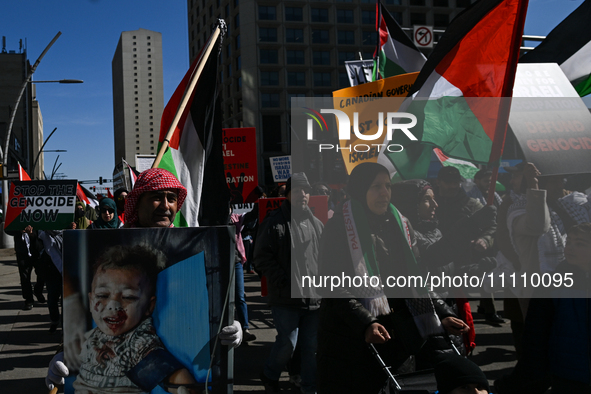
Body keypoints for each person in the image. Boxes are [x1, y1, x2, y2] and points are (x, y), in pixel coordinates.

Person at [46, 168, 243, 391]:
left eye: (171, 198)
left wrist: (227, 326)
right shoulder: (111, 247)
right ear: (136, 203)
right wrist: (61, 359)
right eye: (156, 197)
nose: (166, 205)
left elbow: (162, 366)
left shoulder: (194, 247)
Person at [317, 163, 469, 394]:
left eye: (387, 186)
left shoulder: (400, 224)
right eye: (376, 186)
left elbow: (417, 280)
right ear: (360, 189)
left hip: (398, 336)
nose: (384, 192)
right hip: (352, 339)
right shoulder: (339, 227)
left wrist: (442, 313)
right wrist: (366, 322)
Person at [73, 244, 198, 394]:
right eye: (102, 295)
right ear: (91, 300)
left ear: (149, 307)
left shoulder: (136, 342)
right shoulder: (95, 334)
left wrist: (187, 389)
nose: (113, 306)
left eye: (128, 297)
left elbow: (173, 377)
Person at [496, 223, 591, 394]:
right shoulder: (552, 284)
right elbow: (536, 337)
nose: (570, 248)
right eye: (569, 242)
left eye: (580, 244)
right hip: (567, 375)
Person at [254, 172, 323, 394]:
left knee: (311, 348)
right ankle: (270, 373)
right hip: (285, 298)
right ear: (289, 194)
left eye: (306, 190)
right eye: (298, 190)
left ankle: (309, 388)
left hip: (314, 299)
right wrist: (282, 281)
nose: (303, 194)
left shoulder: (317, 224)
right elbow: (261, 257)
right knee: (288, 344)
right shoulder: (274, 222)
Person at [435, 166, 502, 324]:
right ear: (438, 182)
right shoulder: (431, 202)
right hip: (436, 262)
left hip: (464, 261)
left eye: (456, 182)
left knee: (461, 309)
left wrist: (485, 239)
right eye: (448, 182)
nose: (453, 186)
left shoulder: (471, 204)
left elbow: (492, 225)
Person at [13, 225, 45, 310]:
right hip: (22, 251)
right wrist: (19, 230)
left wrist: (32, 234)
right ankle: (28, 299)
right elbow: (8, 229)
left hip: (36, 249)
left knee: (42, 274)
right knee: (25, 277)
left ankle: (38, 291)